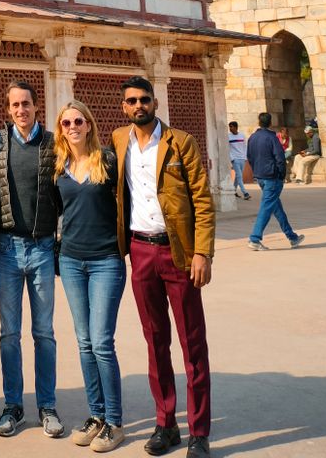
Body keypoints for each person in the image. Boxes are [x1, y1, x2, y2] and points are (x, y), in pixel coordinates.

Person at [111, 77, 214, 458]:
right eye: (131, 101)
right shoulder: (119, 141)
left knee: (192, 344)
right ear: (124, 106)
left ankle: (199, 432)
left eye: (144, 100)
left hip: (178, 252)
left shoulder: (179, 142)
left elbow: (202, 199)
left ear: (155, 102)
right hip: (139, 250)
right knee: (155, 341)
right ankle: (166, 423)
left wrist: (202, 253)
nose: (138, 106)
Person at [0, 81, 63, 439]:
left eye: (26, 104)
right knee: (8, 334)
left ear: (37, 106)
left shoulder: (52, 144)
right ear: (8, 110)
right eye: (15, 105)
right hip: (6, 249)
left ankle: (47, 405)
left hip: (43, 248)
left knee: (44, 333)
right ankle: (13, 406)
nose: (21, 110)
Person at [54, 101, 126, 453]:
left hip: (106, 260)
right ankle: (96, 415)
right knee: (83, 342)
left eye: (78, 120)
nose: (73, 126)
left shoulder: (108, 160)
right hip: (71, 260)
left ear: (89, 124)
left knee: (101, 342)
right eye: (66, 122)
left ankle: (114, 421)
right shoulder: (58, 165)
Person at [246, 112, 304, 252]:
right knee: (267, 207)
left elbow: (249, 156)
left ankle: (292, 237)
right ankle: (255, 238)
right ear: (270, 123)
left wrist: (256, 172)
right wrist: (281, 175)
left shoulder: (252, 138)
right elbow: (280, 158)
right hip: (272, 177)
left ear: (259, 122)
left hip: (260, 176)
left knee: (276, 208)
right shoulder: (272, 138)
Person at [227, 123, 250, 200]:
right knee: (239, 176)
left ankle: (233, 191)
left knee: (238, 176)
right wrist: (232, 158)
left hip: (242, 158)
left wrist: (245, 157)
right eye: (229, 127)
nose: (230, 128)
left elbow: (245, 146)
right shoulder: (228, 136)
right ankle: (245, 193)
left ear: (236, 127)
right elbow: (228, 148)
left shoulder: (242, 135)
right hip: (235, 159)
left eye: (232, 127)